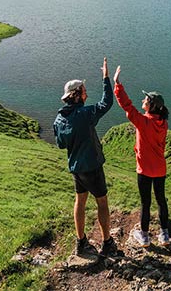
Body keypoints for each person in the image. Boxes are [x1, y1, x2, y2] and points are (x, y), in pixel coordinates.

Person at [54, 57, 121, 257]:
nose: (86, 93)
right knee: (102, 202)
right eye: (84, 91)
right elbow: (106, 103)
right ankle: (107, 243)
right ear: (76, 95)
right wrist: (106, 77)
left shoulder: (59, 119)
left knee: (80, 201)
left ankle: (81, 242)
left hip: (76, 168)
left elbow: (60, 144)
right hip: (91, 167)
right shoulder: (85, 114)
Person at [113, 65, 170, 246]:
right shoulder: (163, 123)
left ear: (151, 106)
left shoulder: (144, 122)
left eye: (146, 100)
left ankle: (144, 237)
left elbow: (127, 106)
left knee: (145, 203)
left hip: (145, 168)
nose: (143, 100)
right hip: (160, 168)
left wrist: (117, 84)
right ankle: (164, 235)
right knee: (161, 200)